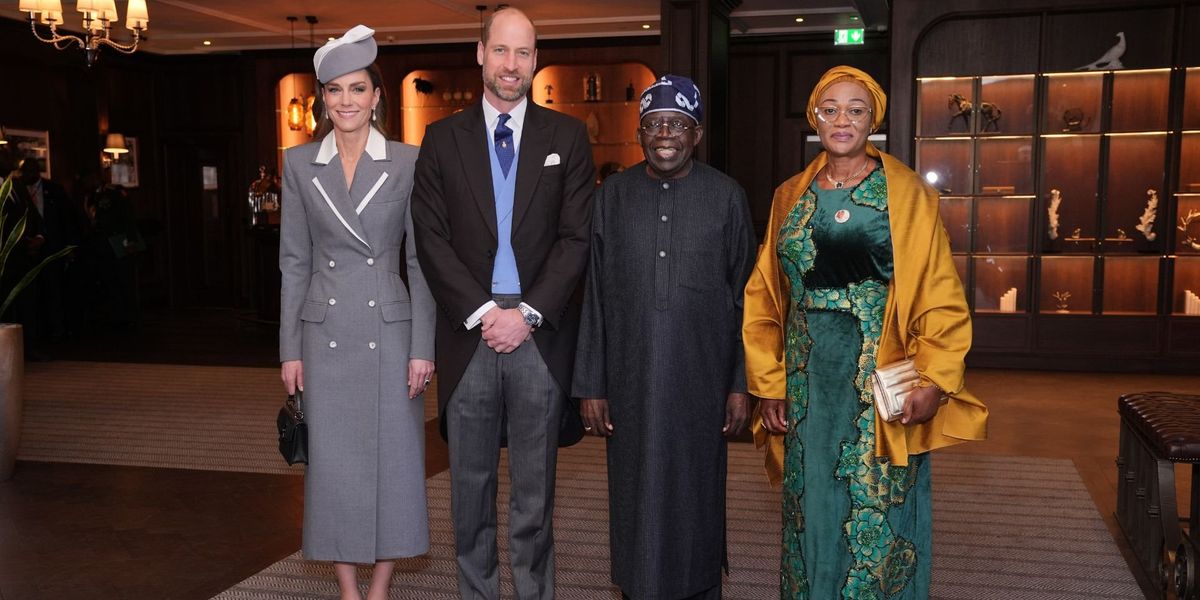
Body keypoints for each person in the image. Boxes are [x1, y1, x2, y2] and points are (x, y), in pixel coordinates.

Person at [742, 66, 989, 598]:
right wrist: (769, 382)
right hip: (808, 383)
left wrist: (936, 379)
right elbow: (765, 293)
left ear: (873, 120)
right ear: (815, 117)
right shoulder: (789, 194)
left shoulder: (906, 193)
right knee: (811, 506)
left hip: (877, 380)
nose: (842, 120)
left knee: (876, 510)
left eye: (856, 110)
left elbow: (939, 291)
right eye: (830, 109)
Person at [410, 7, 594, 599]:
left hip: (539, 337)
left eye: (524, 53)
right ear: (481, 53)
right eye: (502, 51)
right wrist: (487, 313)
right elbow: (430, 239)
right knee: (469, 493)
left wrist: (527, 314)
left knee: (535, 496)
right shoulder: (440, 140)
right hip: (469, 335)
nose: (512, 64)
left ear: (535, 60)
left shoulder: (566, 136)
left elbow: (576, 239)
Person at [572, 75, 756, 600]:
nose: (666, 134)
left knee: (696, 490)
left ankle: (700, 588)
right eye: (654, 125)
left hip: (702, 380)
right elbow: (595, 296)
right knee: (634, 491)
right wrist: (592, 383)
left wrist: (740, 382)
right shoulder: (612, 198)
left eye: (678, 124)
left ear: (696, 135)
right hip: (628, 381)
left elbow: (747, 299)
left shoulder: (727, 197)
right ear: (640, 134)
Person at [278, 25, 436, 600]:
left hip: (390, 333)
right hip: (324, 334)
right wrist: (289, 349)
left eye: (357, 89)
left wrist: (424, 346)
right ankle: (348, 589)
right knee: (334, 468)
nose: (346, 101)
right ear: (322, 98)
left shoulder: (407, 162)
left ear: (376, 97)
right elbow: (294, 262)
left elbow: (420, 263)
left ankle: (382, 587)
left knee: (396, 461)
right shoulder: (299, 165)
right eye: (335, 90)